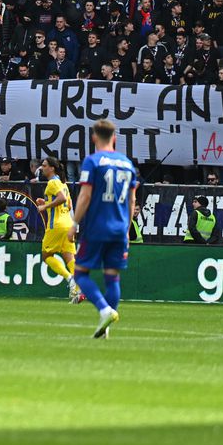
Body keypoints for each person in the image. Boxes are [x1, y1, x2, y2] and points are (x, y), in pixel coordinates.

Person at [69, 119, 138, 339]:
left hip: (96, 227)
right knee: (112, 277)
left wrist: (74, 223)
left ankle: (105, 310)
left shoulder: (93, 161)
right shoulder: (127, 163)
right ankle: (105, 326)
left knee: (80, 274)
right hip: (119, 228)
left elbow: (85, 196)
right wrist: (126, 229)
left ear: (94, 138)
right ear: (114, 138)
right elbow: (132, 200)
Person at [36, 156, 80, 303]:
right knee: (69, 257)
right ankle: (77, 289)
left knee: (46, 256)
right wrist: (46, 201)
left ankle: (70, 279)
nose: (42, 168)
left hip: (56, 225)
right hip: (67, 223)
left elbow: (60, 199)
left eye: (44, 165)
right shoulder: (63, 184)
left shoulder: (53, 183)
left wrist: (44, 206)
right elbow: (68, 205)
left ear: (52, 168)